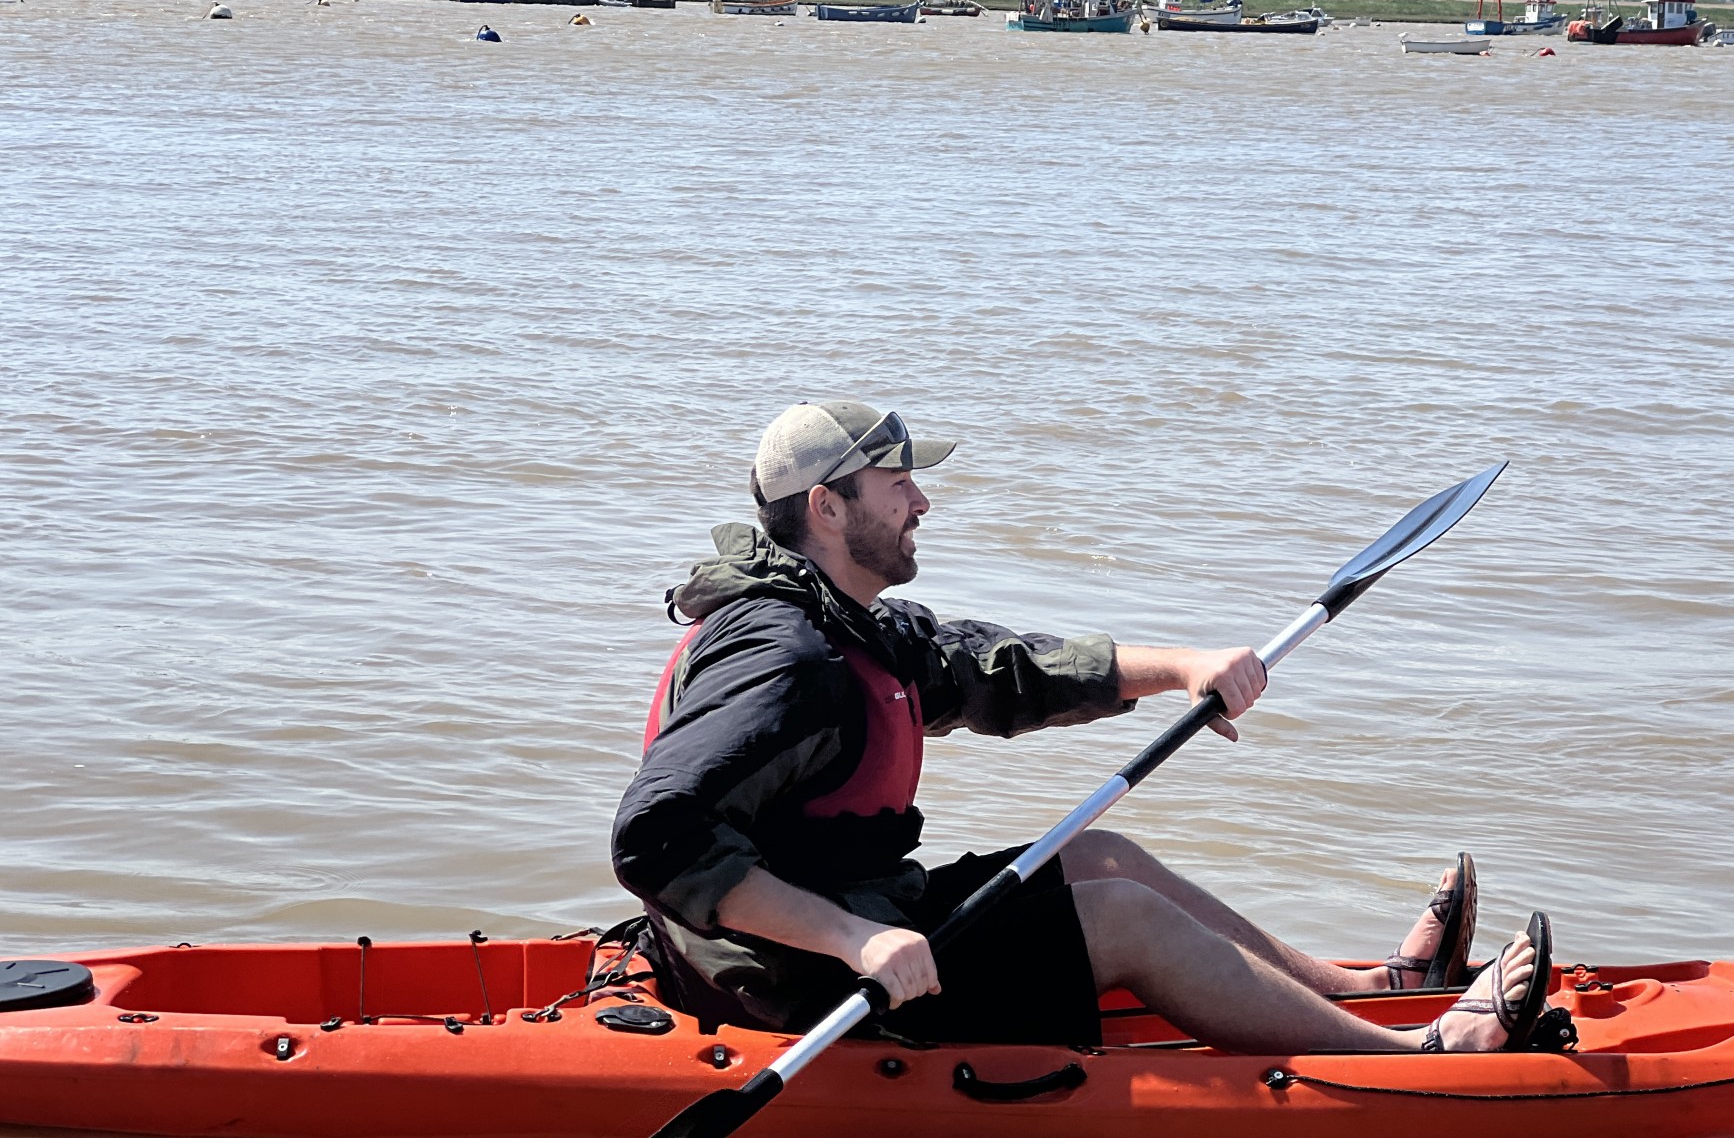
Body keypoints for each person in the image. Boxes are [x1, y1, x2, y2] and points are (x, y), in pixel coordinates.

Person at [612, 402, 1554, 1055]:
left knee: (1106, 858)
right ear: (827, 506)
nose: (922, 503)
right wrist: (855, 943)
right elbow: (658, 835)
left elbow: (1001, 671)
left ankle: (1366, 992)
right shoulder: (784, 658)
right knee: (1123, 920)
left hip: (849, 923)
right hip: (795, 978)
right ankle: (1420, 1052)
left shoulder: (849, 624)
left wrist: (1187, 670)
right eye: (896, 483)